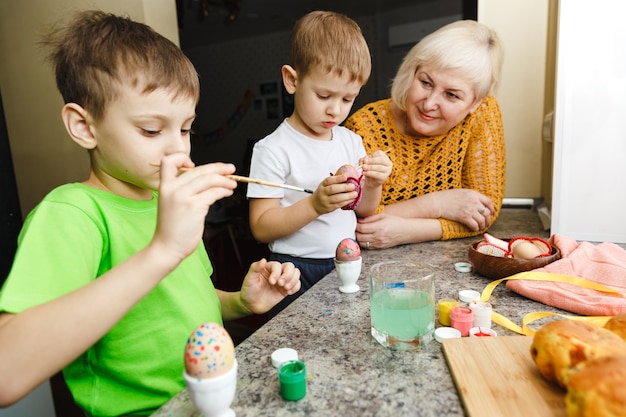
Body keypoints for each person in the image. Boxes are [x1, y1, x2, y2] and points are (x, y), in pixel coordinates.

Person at [0, 10, 301, 416]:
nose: (179, 150)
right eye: (150, 130)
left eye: (185, 129)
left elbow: (180, 301)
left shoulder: (169, 204)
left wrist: (239, 302)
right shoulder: (72, 214)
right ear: (84, 127)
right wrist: (162, 249)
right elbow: (8, 373)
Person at [246, 11, 392, 315]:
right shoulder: (272, 149)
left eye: (347, 98)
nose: (335, 110)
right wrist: (315, 205)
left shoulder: (350, 141)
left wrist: (375, 184)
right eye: (324, 95)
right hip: (292, 271)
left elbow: (363, 209)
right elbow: (261, 227)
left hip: (347, 259)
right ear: (292, 80)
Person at [345, 19, 506, 250]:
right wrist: (439, 204)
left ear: (475, 102)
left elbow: (482, 212)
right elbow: (353, 218)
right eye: (426, 82)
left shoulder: (482, 114)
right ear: (413, 71)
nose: (429, 104)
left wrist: (407, 231)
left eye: (451, 95)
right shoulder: (364, 127)